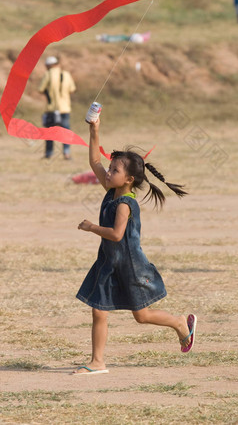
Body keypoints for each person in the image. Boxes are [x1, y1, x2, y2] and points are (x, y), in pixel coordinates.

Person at [73, 119, 197, 375]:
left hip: (130, 267)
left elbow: (117, 235)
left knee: (141, 316)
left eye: (114, 170)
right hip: (109, 263)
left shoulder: (125, 203)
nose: (108, 172)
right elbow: (94, 162)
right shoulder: (112, 190)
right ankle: (98, 362)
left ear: (128, 179)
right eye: (110, 168)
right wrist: (94, 129)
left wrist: (91, 227)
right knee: (98, 310)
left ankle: (179, 323)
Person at [38, 56, 76, 160]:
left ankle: (49, 153)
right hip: (65, 108)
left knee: (49, 133)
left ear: (48, 65)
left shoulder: (48, 74)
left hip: (52, 108)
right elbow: (72, 89)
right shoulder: (66, 74)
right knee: (66, 132)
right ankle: (67, 153)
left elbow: (40, 89)